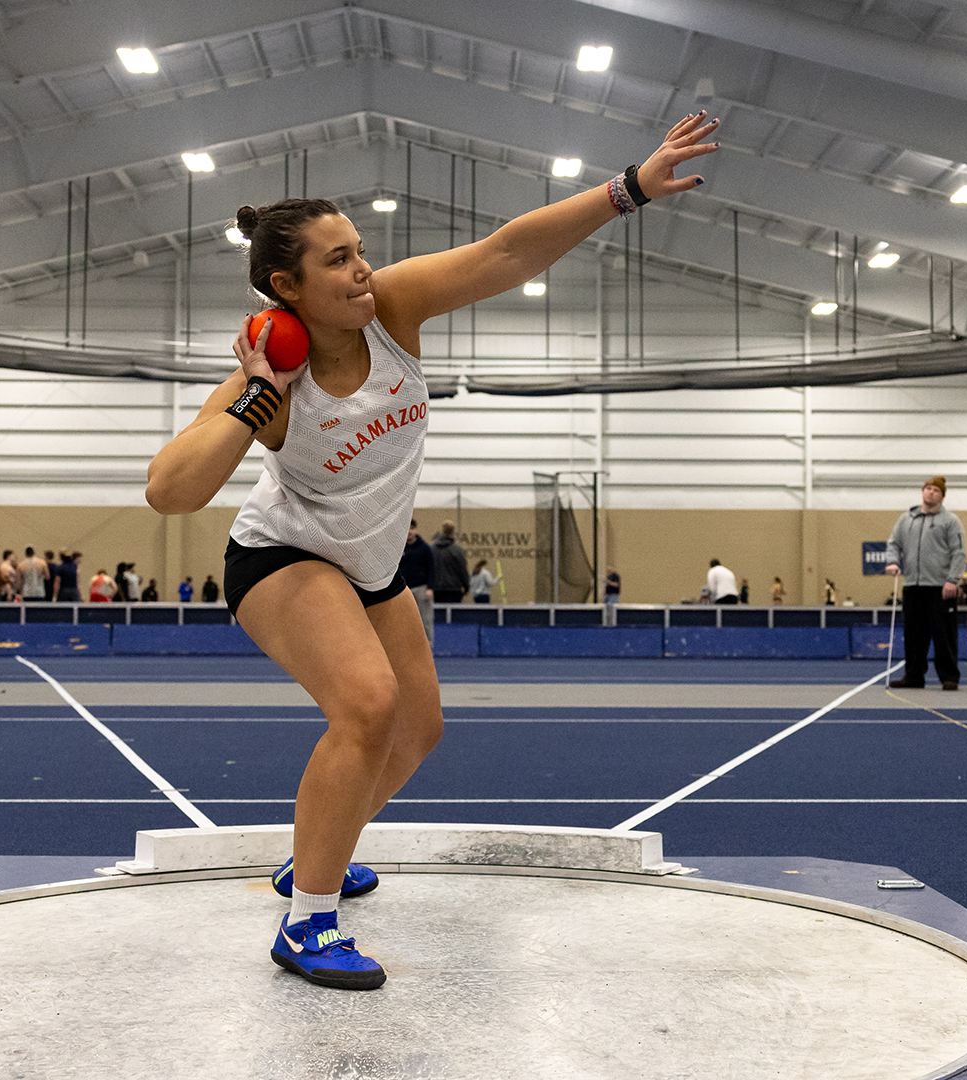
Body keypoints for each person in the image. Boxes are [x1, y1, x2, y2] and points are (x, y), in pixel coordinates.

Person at [141, 111, 720, 991]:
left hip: (373, 564)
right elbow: (170, 491)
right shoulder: (270, 381)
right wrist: (261, 396)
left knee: (418, 729)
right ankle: (308, 924)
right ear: (282, 287)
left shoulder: (394, 311)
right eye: (338, 260)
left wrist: (628, 187)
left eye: (359, 249)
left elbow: (507, 253)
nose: (362, 268)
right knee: (367, 706)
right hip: (282, 554)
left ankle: (313, 860)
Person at [884, 476, 966, 691]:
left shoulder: (950, 521)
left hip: (940, 588)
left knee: (944, 635)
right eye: (927, 489)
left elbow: (959, 553)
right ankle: (913, 676)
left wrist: (952, 580)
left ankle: (949, 677)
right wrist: (892, 562)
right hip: (912, 586)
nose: (930, 493)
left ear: (942, 496)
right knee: (913, 635)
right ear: (922, 492)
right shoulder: (906, 519)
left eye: (935, 490)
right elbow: (893, 543)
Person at [401, 520, 435, 641]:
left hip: (422, 588)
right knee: (406, 621)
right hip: (405, 589)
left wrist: (430, 588)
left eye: (412, 528)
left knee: (426, 620)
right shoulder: (400, 548)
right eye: (407, 528)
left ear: (415, 530)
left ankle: (429, 648)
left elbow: (431, 568)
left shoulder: (424, 548)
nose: (409, 532)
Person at [430, 521, 468, 604]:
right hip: (454, 589)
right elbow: (462, 570)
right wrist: (466, 586)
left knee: (440, 615)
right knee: (454, 615)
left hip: (437, 589)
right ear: (453, 533)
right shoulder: (456, 550)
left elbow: (429, 569)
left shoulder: (433, 550)